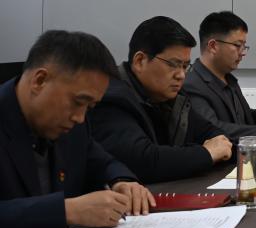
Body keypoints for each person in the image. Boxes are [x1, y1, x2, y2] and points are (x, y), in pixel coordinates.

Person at [0, 31, 154, 228]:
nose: (80, 118)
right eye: (78, 102)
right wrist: (66, 210)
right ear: (40, 80)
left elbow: (102, 161)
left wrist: (122, 181)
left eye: (89, 107)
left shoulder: (72, 125)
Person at [90, 17, 233, 183]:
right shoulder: (111, 97)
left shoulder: (170, 97)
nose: (181, 75)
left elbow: (211, 133)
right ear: (140, 61)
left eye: (185, 66)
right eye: (173, 64)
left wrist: (217, 147)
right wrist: (206, 153)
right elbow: (143, 161)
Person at [183, 11, 256, 143]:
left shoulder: (228, 79)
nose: (242, 53)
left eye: (244, 46)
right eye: (237, 45)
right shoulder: (192, 84)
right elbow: (213, 129)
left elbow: (242, 121)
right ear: (213, 46)